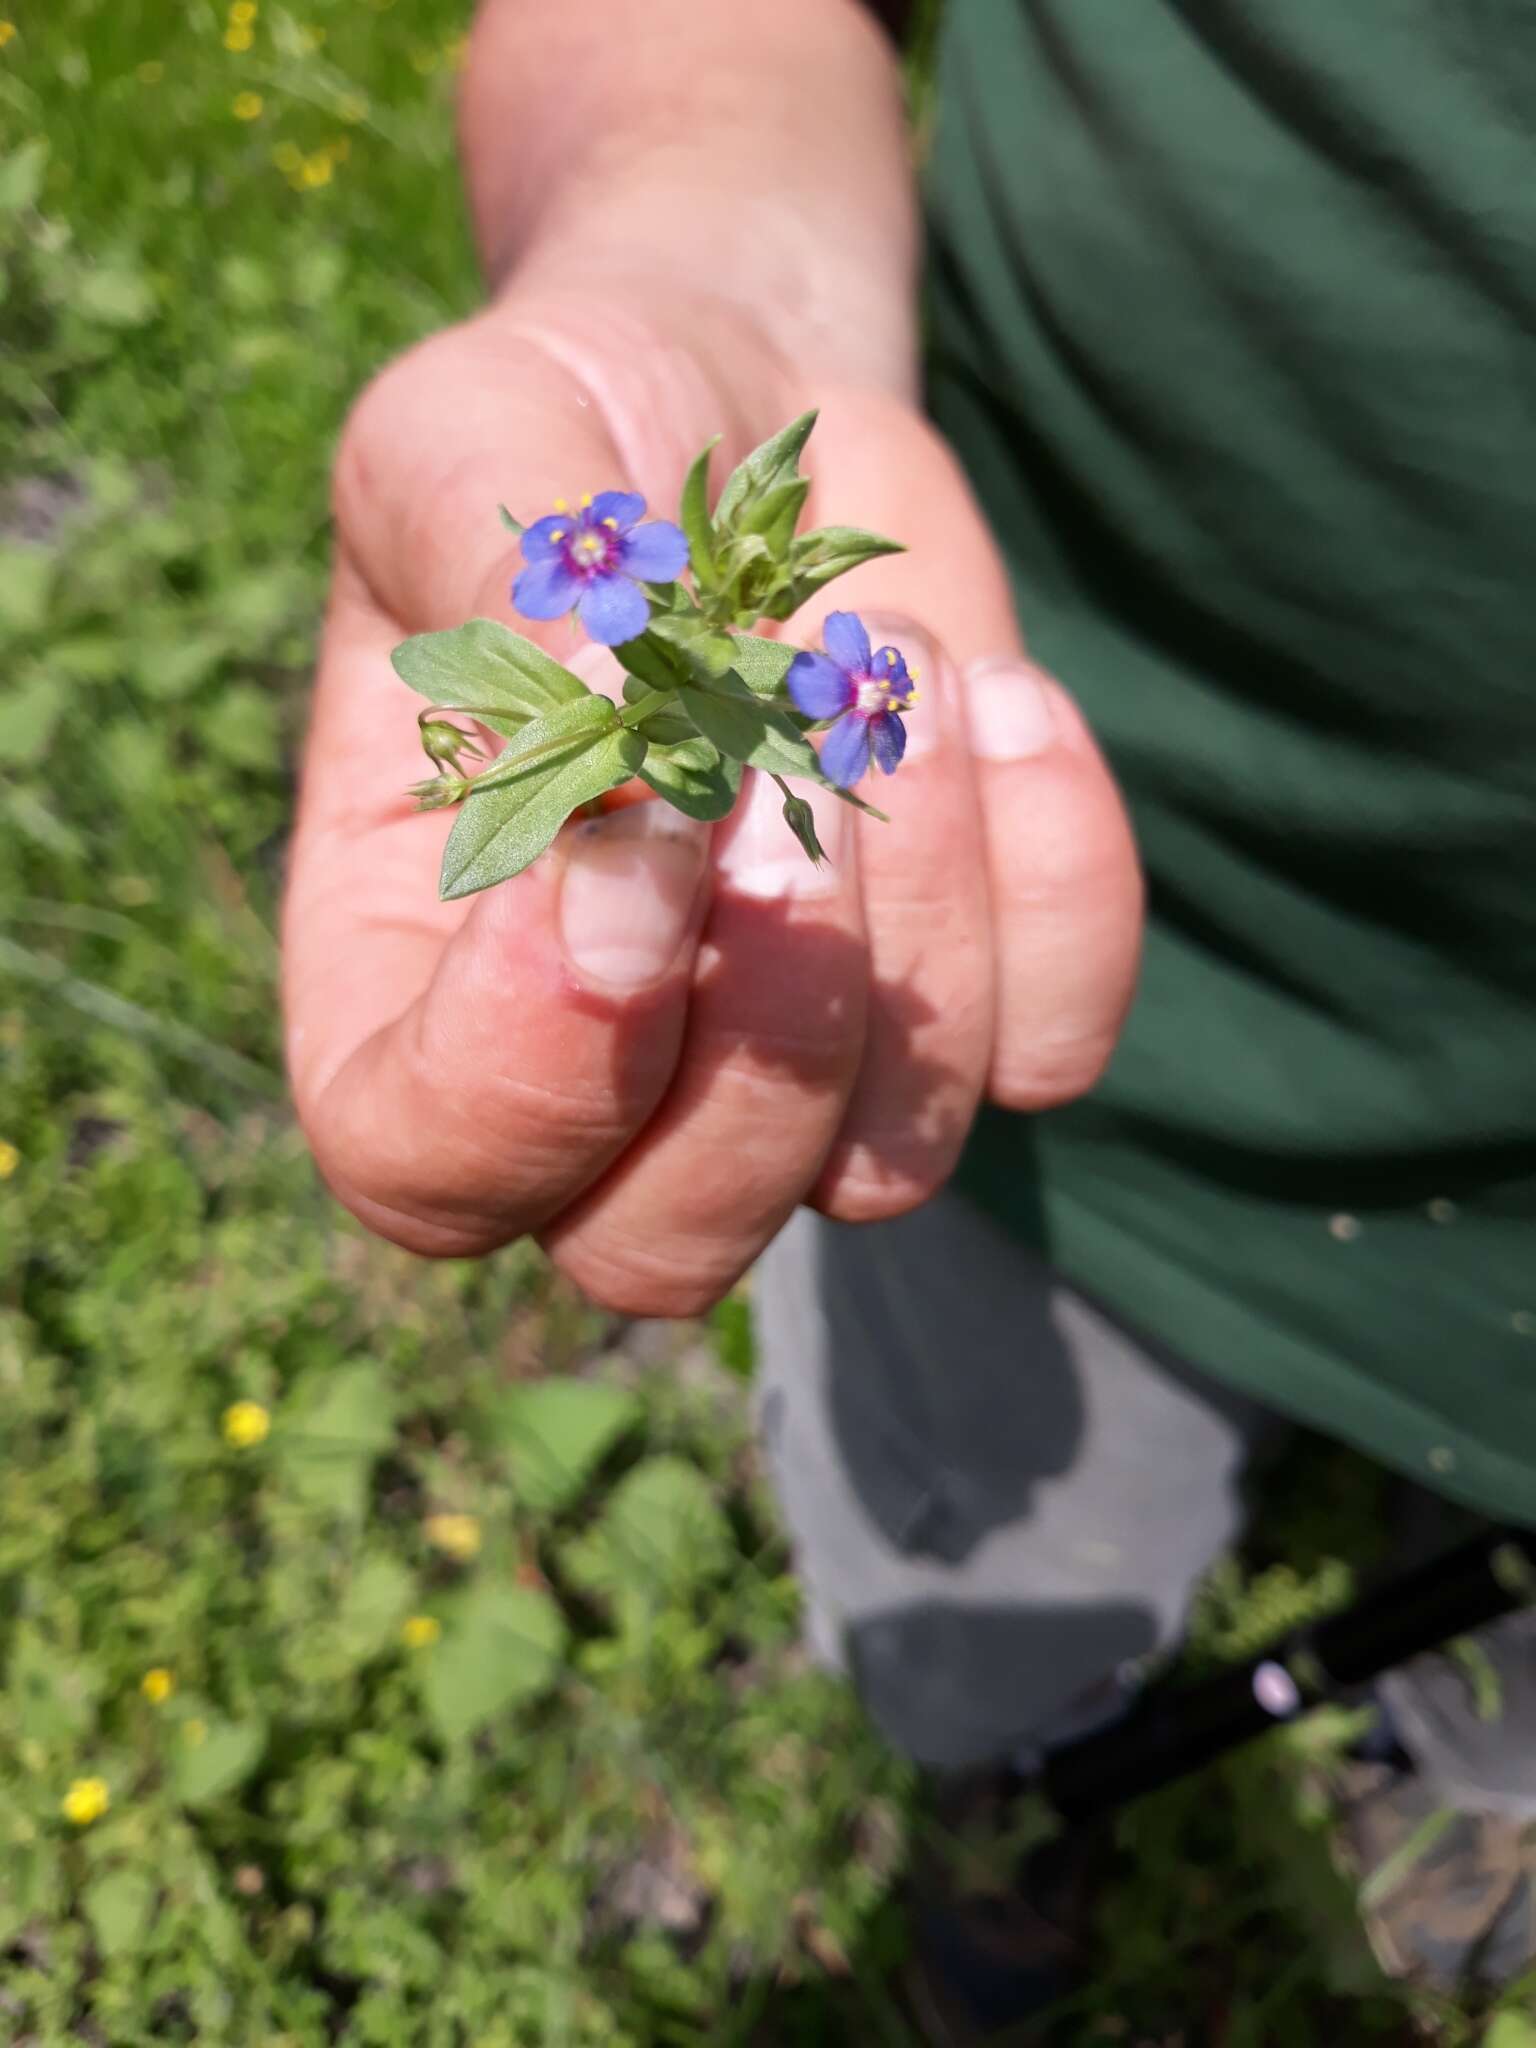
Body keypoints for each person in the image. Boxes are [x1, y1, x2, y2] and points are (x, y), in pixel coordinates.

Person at [282, 0, 1536, 2029]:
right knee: (984, 1586)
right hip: (1048, 1007)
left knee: (1499, 1630)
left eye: (616, 566)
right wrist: (680, 255)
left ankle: (1474, 1775)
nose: (605, 570)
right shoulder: (804, 666)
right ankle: (1010, 1794)